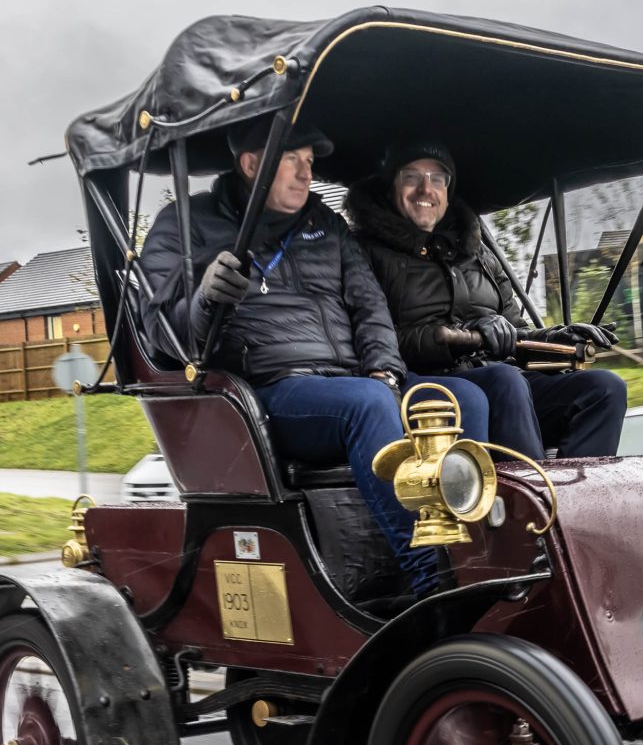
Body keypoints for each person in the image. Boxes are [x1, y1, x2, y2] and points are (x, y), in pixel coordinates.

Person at [139, 120, 490, 597]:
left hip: (354, 381)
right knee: (365, 404)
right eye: (292, 161)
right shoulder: (187, 224)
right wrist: (204, 298)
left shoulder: (325, 224)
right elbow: (159, 333)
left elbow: (370, 307)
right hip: (270, 394)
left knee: (461, 397)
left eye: (309, 162)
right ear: (250, 165)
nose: (306, 173)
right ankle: (430, 577)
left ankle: (485, 555)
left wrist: (385, 369)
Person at [347, 141, 627, 461]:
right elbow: (374, 339)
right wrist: (463, 336)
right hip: (429, 383)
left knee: (605, 389)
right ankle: (529, 501)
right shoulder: (364, 251)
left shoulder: (476, 250)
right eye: (412, 177)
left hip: (504, 383)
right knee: (503, 380)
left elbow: (514, 331)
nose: (426, 189)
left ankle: (577, 499)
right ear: (390, 186)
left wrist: (554, 336)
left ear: (448, 191)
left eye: (438, 179)